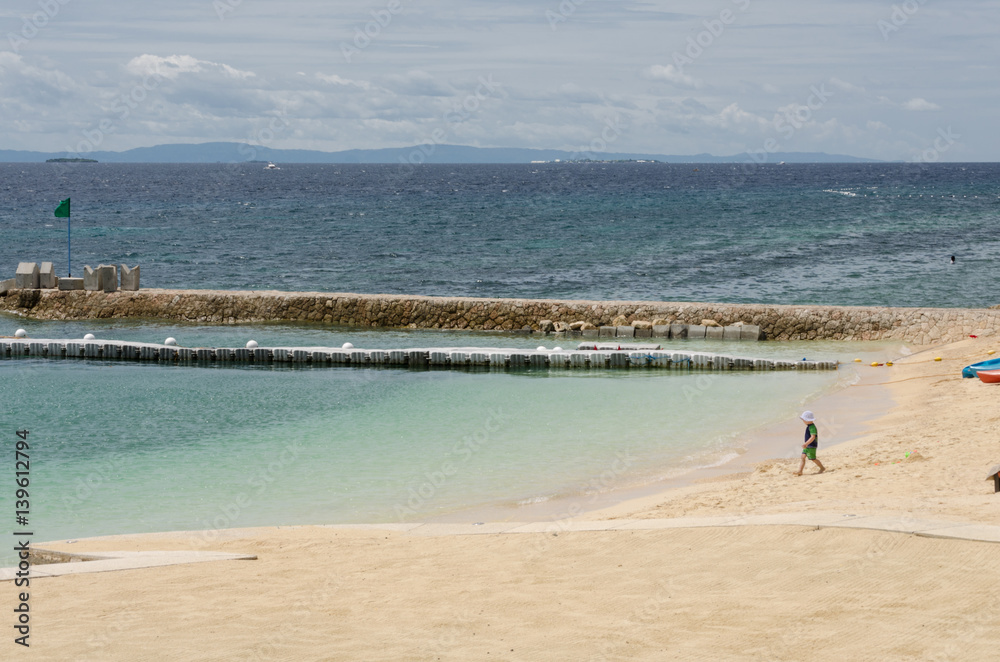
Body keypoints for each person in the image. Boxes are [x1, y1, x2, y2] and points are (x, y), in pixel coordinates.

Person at [796, 410, 826, 475]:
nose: (803, 421)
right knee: (803, 457)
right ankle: (800, 471)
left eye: (803, 419)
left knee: (813, 458)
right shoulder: (809, 426)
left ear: (807, 420)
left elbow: (813, 437)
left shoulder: (812, 427)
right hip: (807, 446)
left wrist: (806, 443)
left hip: (811, 445)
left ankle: (822, 468)